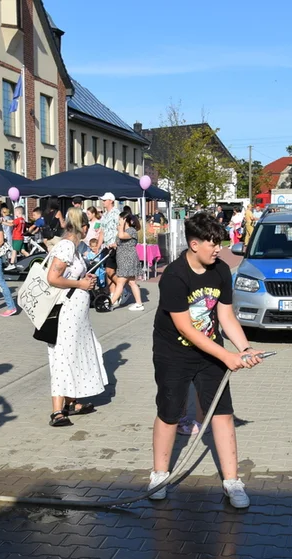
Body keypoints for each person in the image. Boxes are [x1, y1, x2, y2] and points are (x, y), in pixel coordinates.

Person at [148, 212, 263, 508]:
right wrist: (227, 356)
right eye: (213, 244)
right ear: (194, 244)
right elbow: (185, 327)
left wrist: (244, 348)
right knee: (170, 411)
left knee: (222, 412)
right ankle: (159, 474)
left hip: (210, 347)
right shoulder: (174, 276)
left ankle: (232, 481)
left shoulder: (222, 270)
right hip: (173, 351)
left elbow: (225, 315)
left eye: (220, 243)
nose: (218, 249)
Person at [44, 216, 108, 427]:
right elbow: (53, 278)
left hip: (76, 316)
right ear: (84, 227)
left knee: (74, 356)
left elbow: (71, 275)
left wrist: (84, 280)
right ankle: (57, 410)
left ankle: (72, 401)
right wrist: (80, 284)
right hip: (66, 314)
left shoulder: (74, 247)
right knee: (62, 357)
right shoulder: (66, 247)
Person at [109, 213, 145, 311]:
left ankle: (110, 303)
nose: (119, 222)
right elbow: (120, 242)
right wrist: (113, 245)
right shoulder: (124, 231)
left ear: (125, 220)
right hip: (123, 259)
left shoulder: (131, 231)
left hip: (128, 259)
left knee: (120, 282)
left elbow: (121, 236)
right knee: (132, 282)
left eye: (121, 220)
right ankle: (139, 303)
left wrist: (121, 225)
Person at [99, 192, 120, 294]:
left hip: (114, 246)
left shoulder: (116, 213)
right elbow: (102, 231)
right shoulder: (104, 215)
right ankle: (113, 294)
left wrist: (117, 243)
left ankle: (122, 289)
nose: (103, 202)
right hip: (106, 246)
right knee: (108, 272)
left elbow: (120, 229)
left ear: (111, 201)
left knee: (110, 270)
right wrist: (98, 246)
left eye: (105, 200)